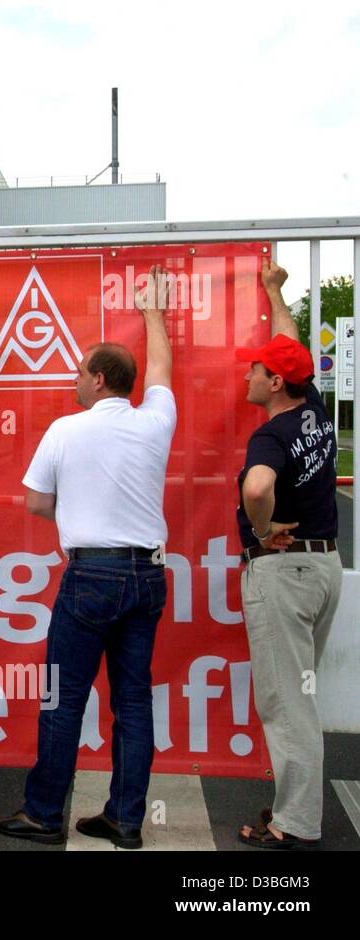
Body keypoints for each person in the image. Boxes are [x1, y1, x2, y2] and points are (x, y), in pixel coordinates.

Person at [0, 266, 176, 848]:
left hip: (90, 574)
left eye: (78, 373)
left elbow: (37, 502)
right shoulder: (155, 422)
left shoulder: (65, 430)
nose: (73, 381)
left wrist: (76, 514)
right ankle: (124, 819)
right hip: (146, 575)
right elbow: (163, 372)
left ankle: (45, 813)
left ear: (98, 379)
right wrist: (154, 313)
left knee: (60, 697)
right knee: (133, 700)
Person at [233, 260, 341, 849]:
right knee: (300, 694)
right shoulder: (314, 409)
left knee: (287, 704)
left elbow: (256, 487)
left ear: (275, 382)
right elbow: (292, 345)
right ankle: (295, 807)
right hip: (323, 570)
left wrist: (263, 526)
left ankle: (294, 824)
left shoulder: (270, 435)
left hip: (288, 571)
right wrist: (277, 294)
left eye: (256, 369)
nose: (247, 375)